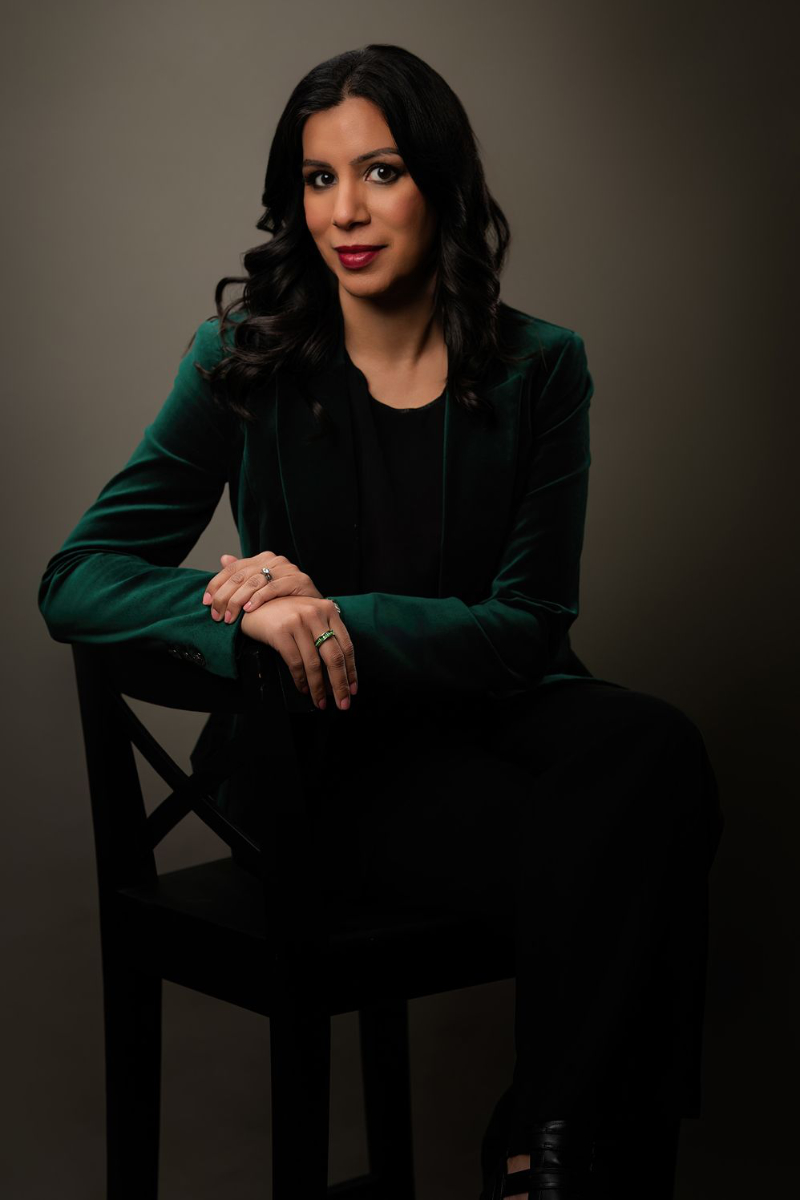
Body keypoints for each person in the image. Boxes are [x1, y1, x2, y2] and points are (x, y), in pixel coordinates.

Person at [38, 43, 724, 1200]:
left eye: (380, 172)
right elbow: (77, 577)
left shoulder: (540, 370)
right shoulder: (243, 362)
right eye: (316, 180)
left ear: (440, 185)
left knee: (654, 750)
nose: (343, 213)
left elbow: (526, 627)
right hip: (315, 778)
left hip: (490, 728)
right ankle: (567, 1157)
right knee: (637, 847)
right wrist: (244, 625)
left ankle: (542, 1135)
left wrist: (331, 608)